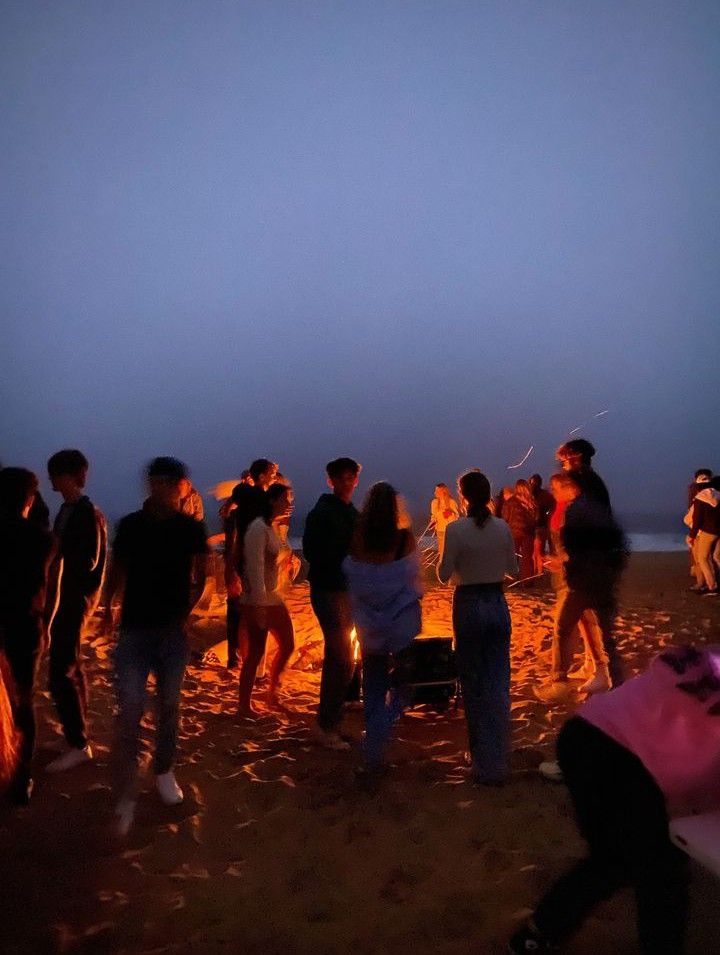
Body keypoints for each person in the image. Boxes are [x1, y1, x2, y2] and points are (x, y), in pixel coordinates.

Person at [510, 643, 720, 954]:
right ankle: (539, 934)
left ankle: (539, 933)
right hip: (612, 752)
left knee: (620, 860)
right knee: (657, 868)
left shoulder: (708, 658)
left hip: (588, 734)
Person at [103, 457, 208, 836]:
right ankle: (126, 787)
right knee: (129, 706)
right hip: (133, 628)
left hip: (171, 632)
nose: (159, 488)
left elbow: (201, 574)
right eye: (154, 481)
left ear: (181, 486)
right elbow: (118, 568)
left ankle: (164, 769)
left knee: (169, 703)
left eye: (167, 482)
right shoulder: (131, 525)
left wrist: (187, 611)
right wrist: (107, 605)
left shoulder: (189, 528)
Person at [438, 470, 518, 785]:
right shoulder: (502, 527)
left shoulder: (455, 529)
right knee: (498, 682)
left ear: (463, 496)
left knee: (472, 684)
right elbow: (513, 568)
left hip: (469, 603)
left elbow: (444, 575)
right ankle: (499, 758)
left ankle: (481, 761)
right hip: (497, 602)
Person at [344, 483, 422, 780]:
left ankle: (373, 751)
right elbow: (412, 580)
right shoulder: (404, 539)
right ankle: (378, 736)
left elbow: (356, 580)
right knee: (404, 688)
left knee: (374, 686)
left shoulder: (357, 540)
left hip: (368, 624)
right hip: (399, 624)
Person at [45, 449, 108, 773]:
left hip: (75, 599)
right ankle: (75, 735)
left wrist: (56, 556)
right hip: (67, 597)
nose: (51, 480)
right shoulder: (67, 510)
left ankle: (80, 744)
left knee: (61, 671)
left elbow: (89, 562)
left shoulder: (86, 512)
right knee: (71, 667)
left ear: (66, 476)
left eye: (54, 474)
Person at [538, 471, 627, 701]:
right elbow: (616, 545)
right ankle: (617, 683)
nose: (553, 492)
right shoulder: (598, 510)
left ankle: (559, 682)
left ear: (572, 487)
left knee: (562, 626)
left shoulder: (576, 510)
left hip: (581, 582)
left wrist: (563, 562)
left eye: (557, 488)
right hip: (601, 580)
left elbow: (579, 548)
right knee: (605, 634)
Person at [0, 468, 56, 803]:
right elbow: (46, 591)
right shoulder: (43, 540)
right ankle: (20, 781)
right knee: (22, 703)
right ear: (30, 499)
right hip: (24, 628)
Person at [303, 457, 361, 751]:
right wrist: (343, 557)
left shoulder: (352, 512)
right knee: (339, 656)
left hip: (348, 590)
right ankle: (325, 725)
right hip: (328, 589)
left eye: (351, 477)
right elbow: (312, 552)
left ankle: (333, 720)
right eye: (342, 477)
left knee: (346, 657)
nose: (347, 482)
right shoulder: (322, 512)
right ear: (331, 480)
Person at [237, 483, 297, 716]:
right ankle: (244, 705)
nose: (289, 504)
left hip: (273, 596)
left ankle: (273, 693)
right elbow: (254, 567)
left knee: (287, 644)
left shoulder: (272, 527)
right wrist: (259, 604)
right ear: (272, 500)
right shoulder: (257, 529)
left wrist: (287, 563)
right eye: (285, 499)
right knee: (255, 653)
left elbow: (274, 559)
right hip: (258, 598)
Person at [223, 460, 277, 669]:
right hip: (251, 561)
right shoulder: (263, 501)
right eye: (272, 473)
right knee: (251, 609)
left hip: (241, 558)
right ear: (262, 476)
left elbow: (228, 510)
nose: (274, 476)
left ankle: (234, 655)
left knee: (237, 608)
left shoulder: (242, 494)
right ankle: (250, 660)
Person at [688, 475, 720, 596]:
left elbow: (697, 520)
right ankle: (714, 583)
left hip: (708, 532)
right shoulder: (718, 495)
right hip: (718, 532)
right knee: (716, 558)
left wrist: (692, 535)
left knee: (702, 558)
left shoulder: (700, 499)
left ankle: (712, 586)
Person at [556, 438, 611, 508]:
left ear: (574, 459)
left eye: (564, 461)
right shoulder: (594, 479)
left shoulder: (576, 480)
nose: (563, 466)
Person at [502, 479, 537, 580]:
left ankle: (512, 577)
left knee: (512, 556)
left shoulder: (510, 502)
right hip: (528, 532)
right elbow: (536, 518)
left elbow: (505, 517)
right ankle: (527, 580)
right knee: (527, 557)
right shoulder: (531, 501)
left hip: (514, 532)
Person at [529, 473, 555, 576]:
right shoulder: (546, 495)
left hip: (538, 526)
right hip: (541, 526)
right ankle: (538, 571)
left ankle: (537, 571)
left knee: (536, 551)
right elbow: (552, 508)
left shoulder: (531, 496)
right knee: (539, 551)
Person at [428, 483, 459, 562]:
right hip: (440, 530)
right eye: (435, 490)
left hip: (450, 531)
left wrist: (450, 514)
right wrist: (433, 521)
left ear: (443, 491)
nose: (435, 492)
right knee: (441, 551)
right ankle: (441, 567)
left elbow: (456, 516)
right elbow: (433, 515)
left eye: (437, 490)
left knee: (449, 550)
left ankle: (451, 568)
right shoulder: (434, 502)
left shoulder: (451, 502)